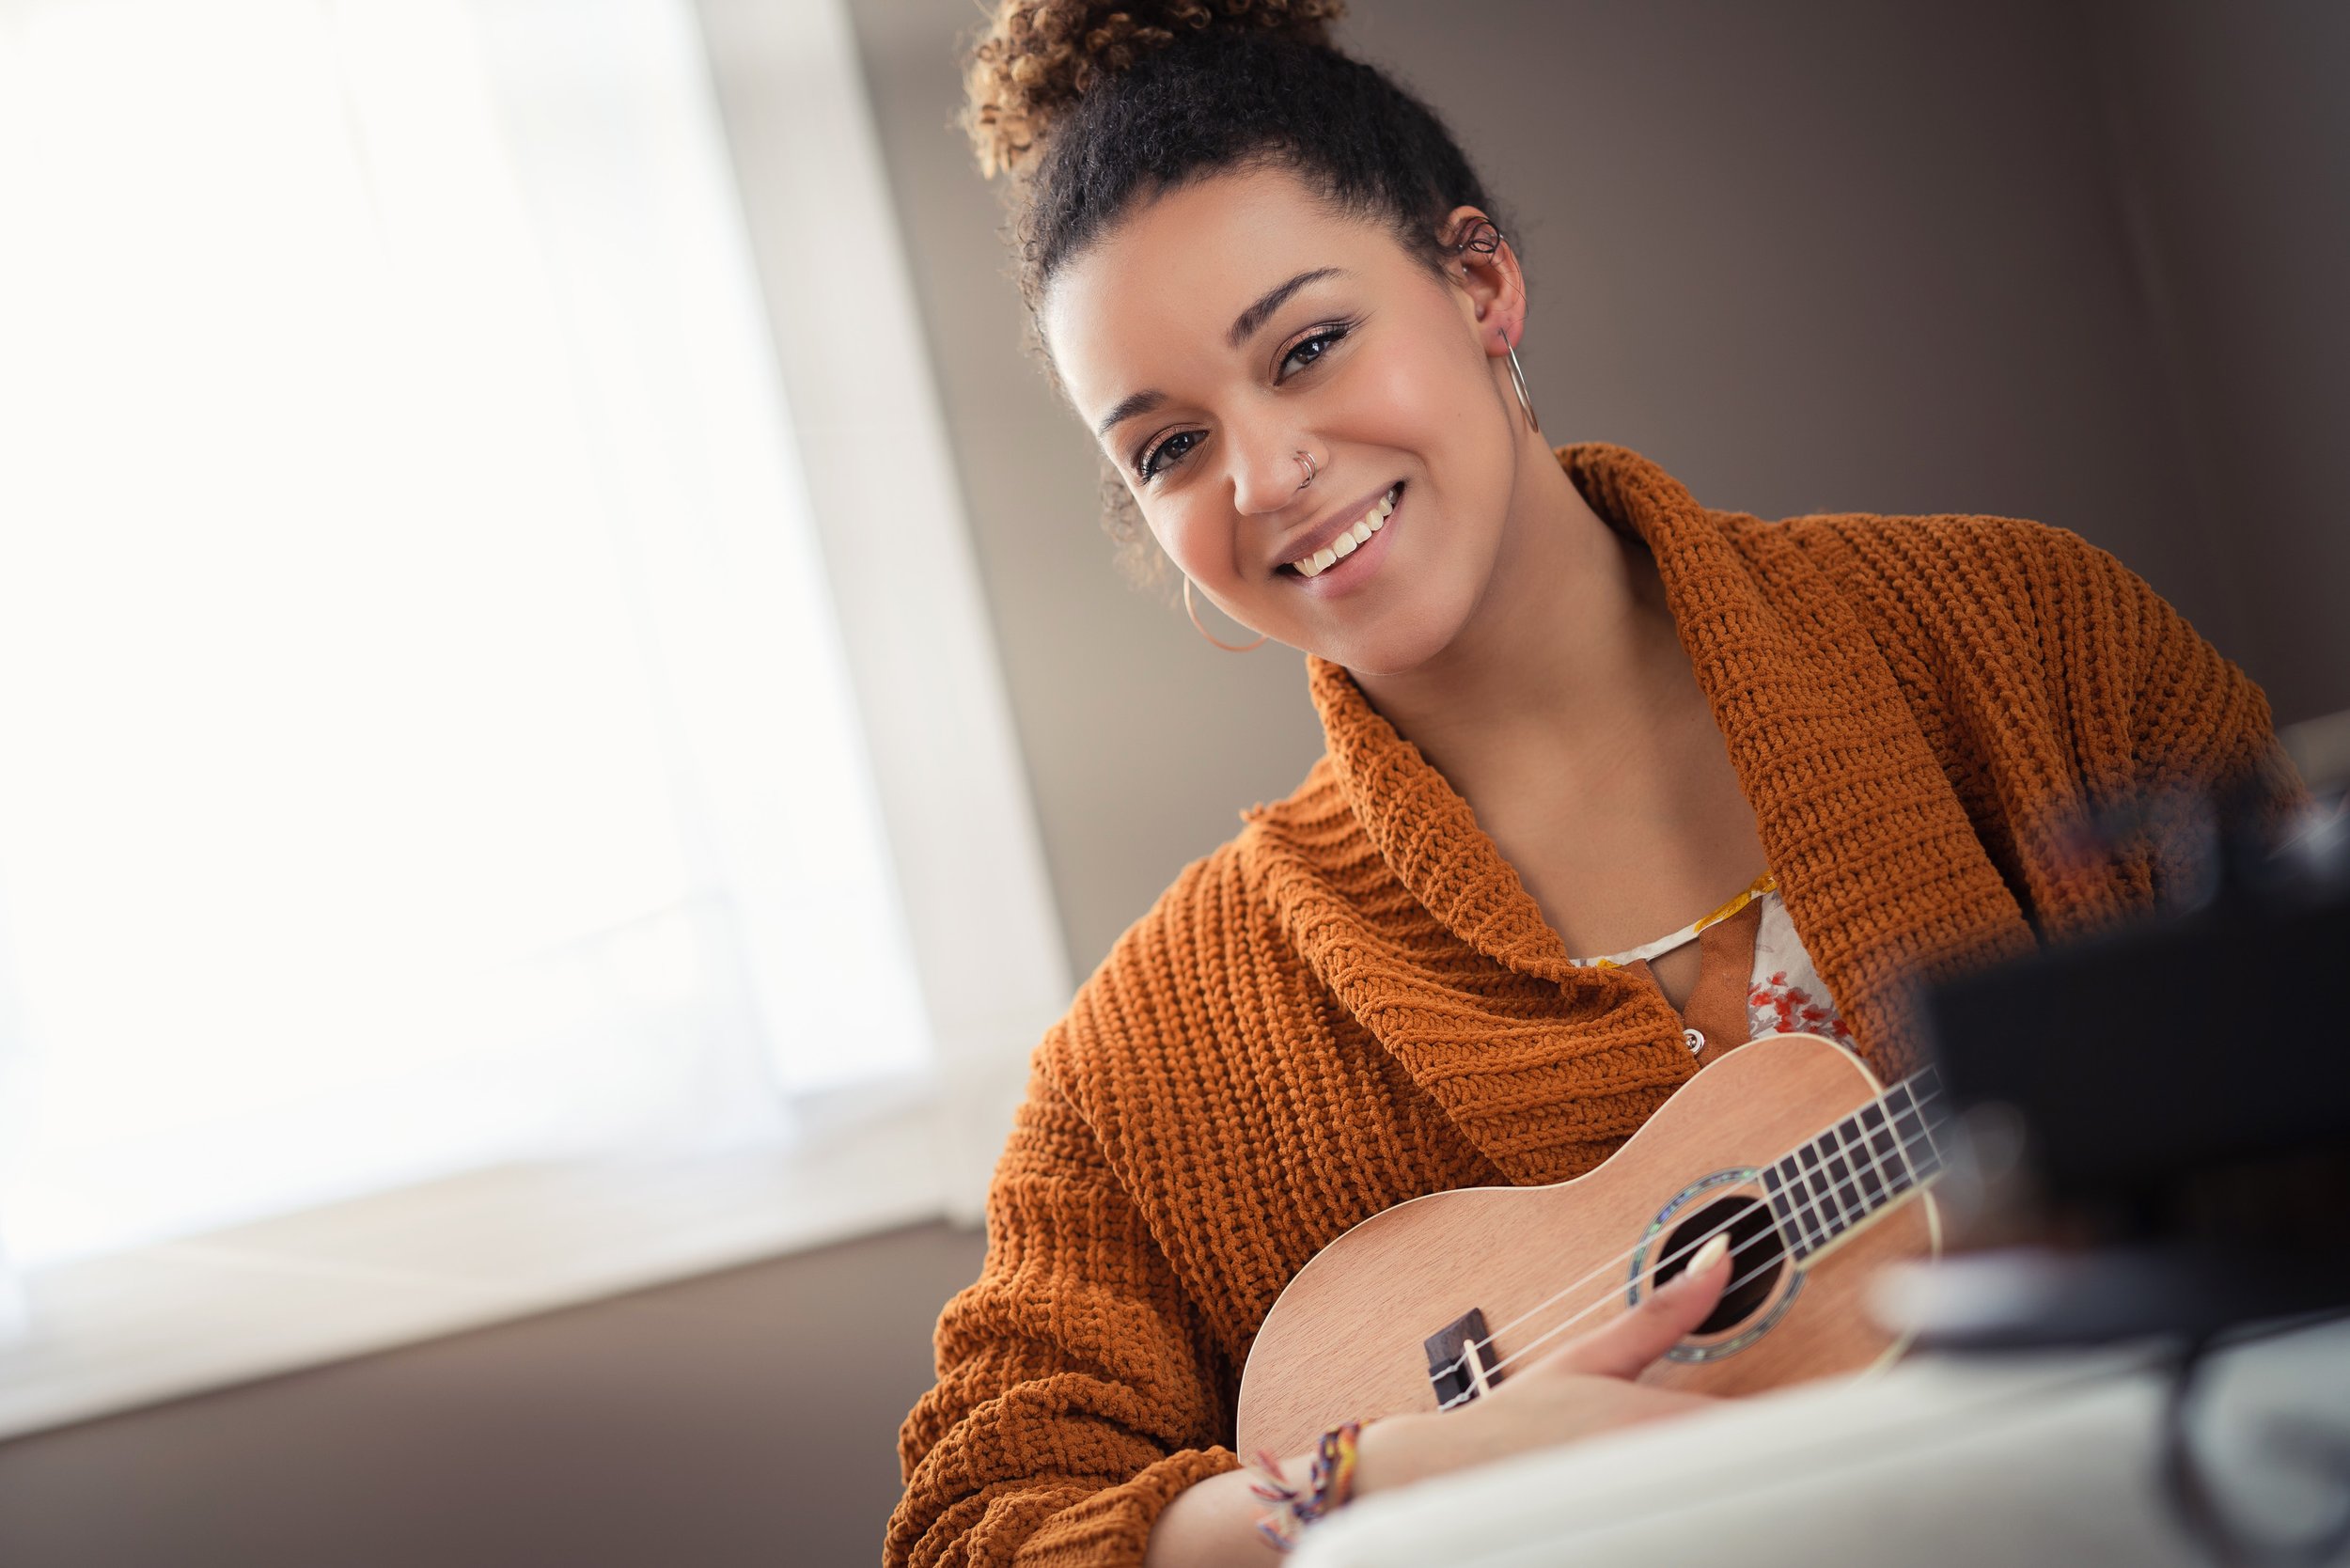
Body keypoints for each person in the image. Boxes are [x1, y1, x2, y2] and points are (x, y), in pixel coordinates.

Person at [884, 4, 2298, 1564]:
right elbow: (969, 1529)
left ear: (1478, 279)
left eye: (1307, 347)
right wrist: (1382, 1478)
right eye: (1164, 448)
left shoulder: (2025, 638)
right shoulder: (1153, 1064)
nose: (1263, 473)